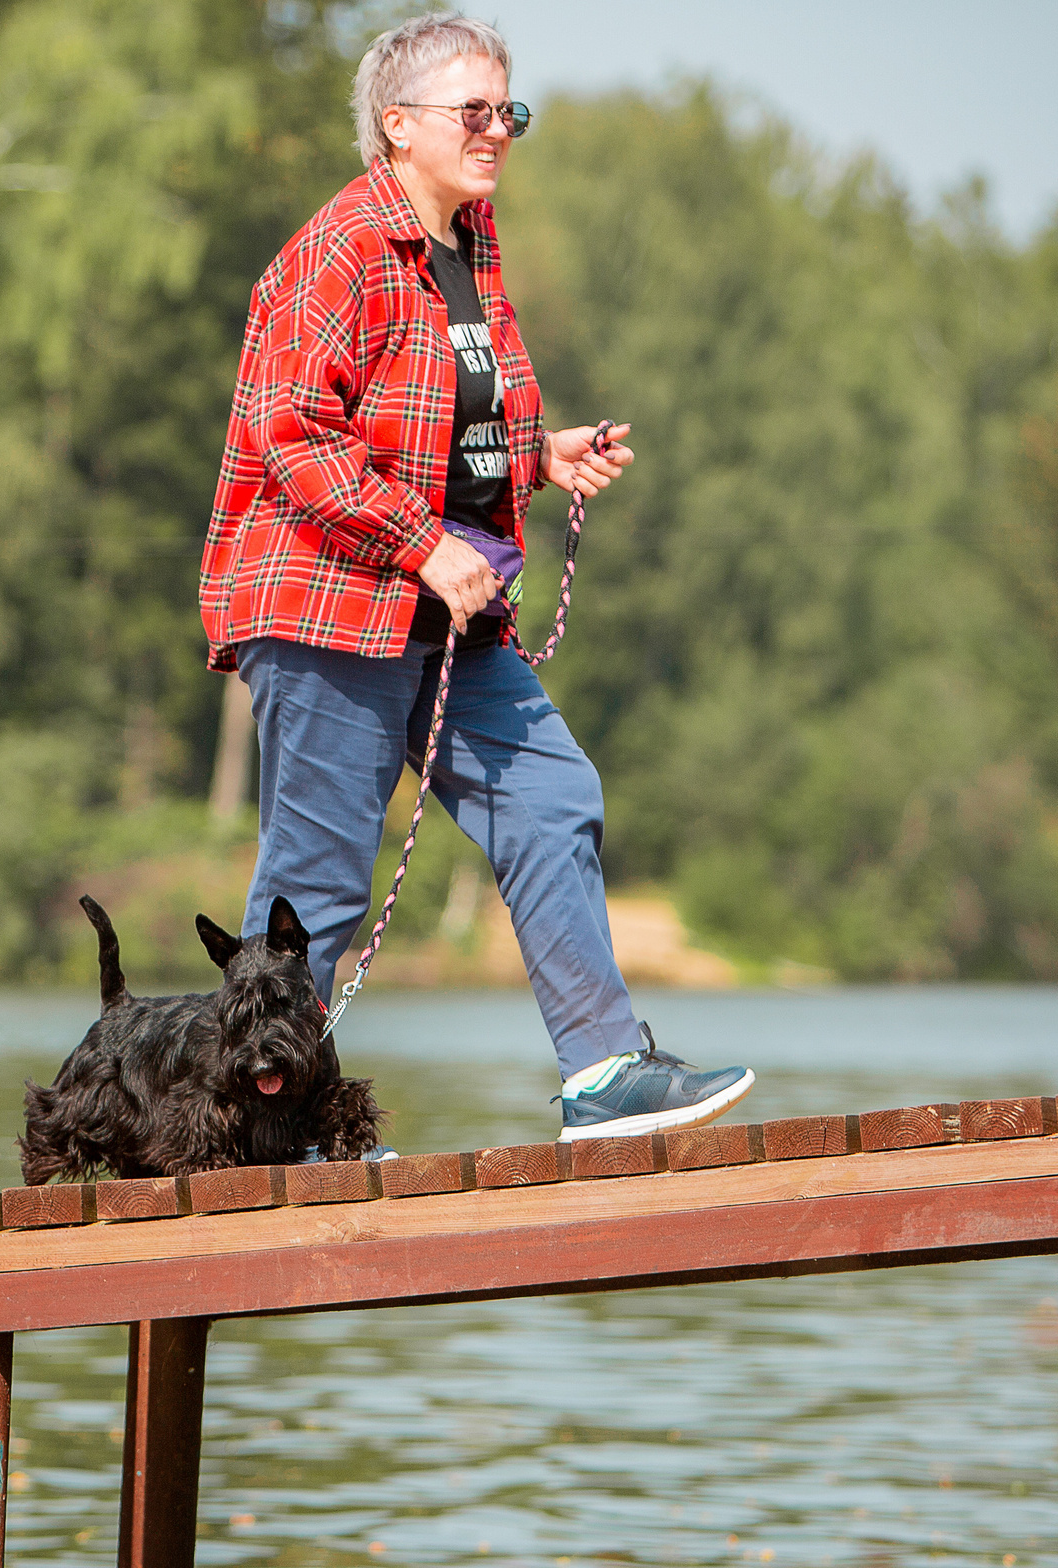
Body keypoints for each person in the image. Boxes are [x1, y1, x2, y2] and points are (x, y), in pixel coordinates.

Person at [199, 11, 753, 1141]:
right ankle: (257, 1126)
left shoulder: (473, 248)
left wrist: (539, 458)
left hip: (443, 609)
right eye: (474, 111)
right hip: (326, 602)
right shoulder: (338, 250)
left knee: (553, 796)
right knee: (316, 886)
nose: (498, 129)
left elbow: (440, 429)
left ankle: (602, 1073)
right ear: (396, 126)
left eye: (510, 111)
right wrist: (420, 542)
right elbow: (291, 435)